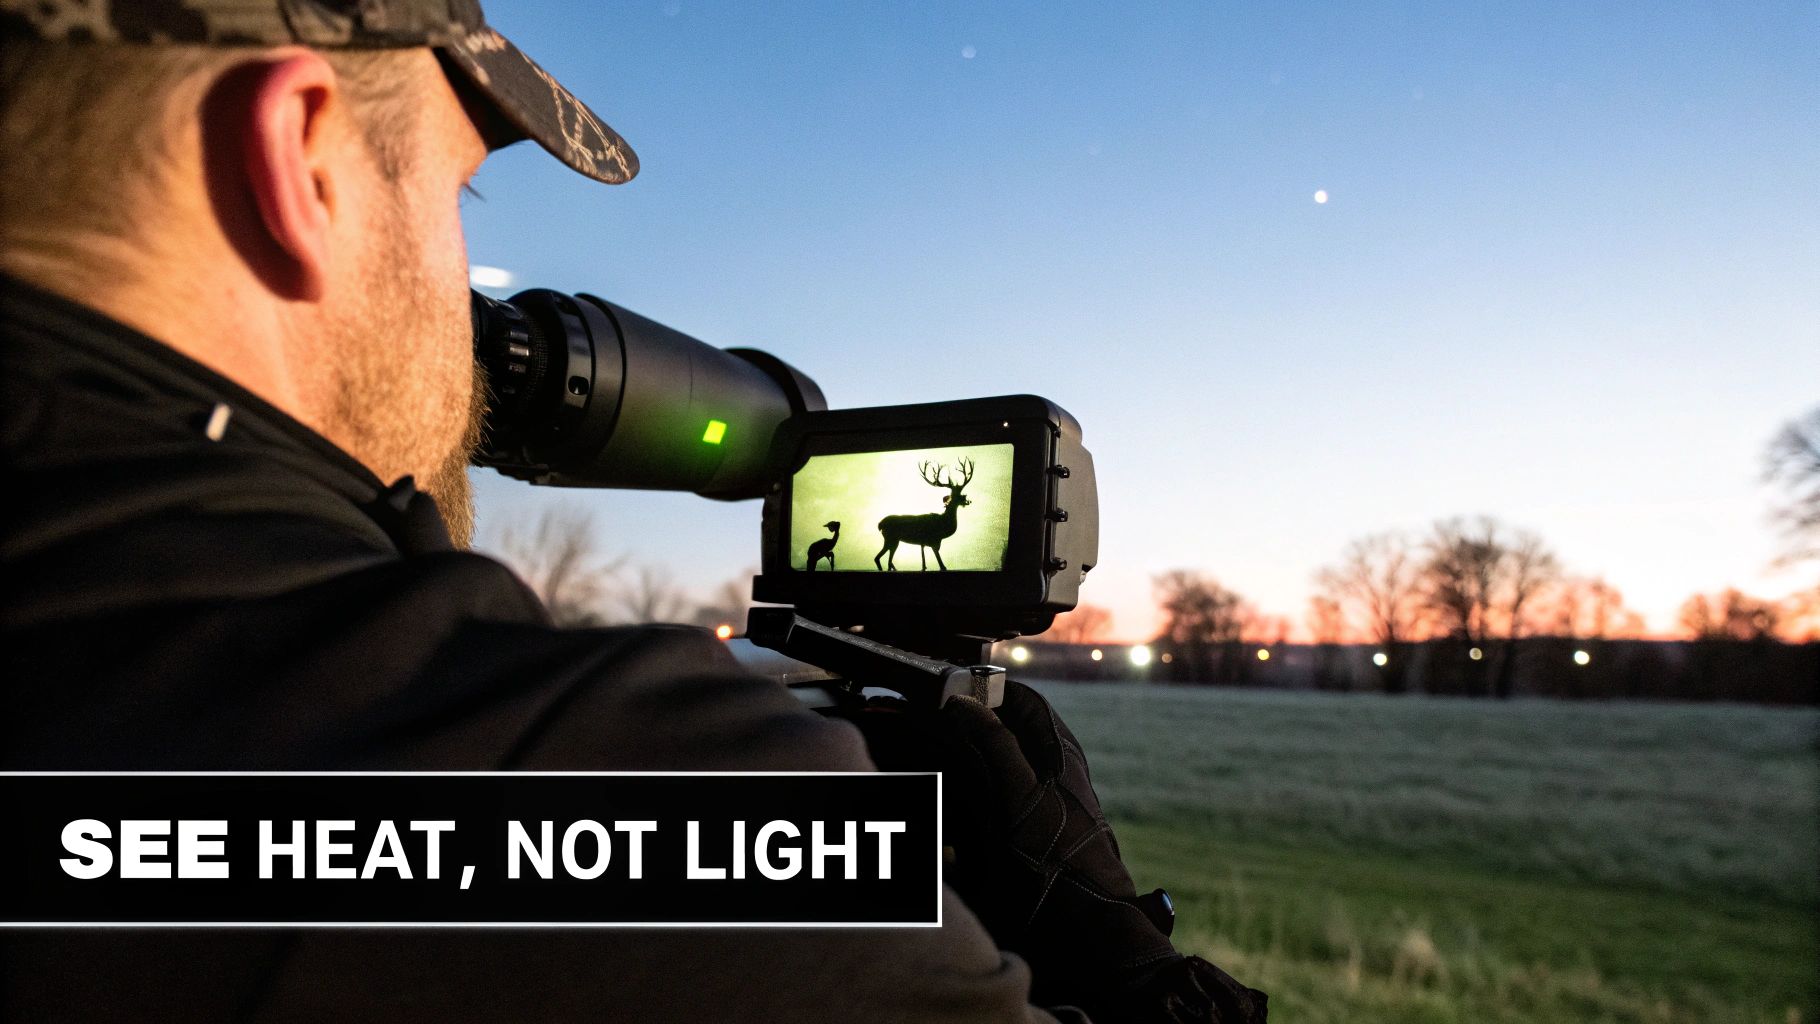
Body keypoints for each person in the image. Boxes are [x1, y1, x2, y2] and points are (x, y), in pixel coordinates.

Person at [0, 2, 1266, 1020]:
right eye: (455, 196)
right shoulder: (582, 781)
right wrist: (1116, 959)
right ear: (298, 157)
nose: (465, 313)